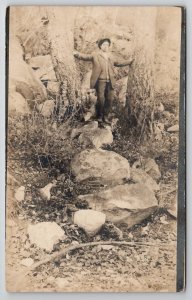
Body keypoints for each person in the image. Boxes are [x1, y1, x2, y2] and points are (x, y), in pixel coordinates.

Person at [73, 38, 134, 124]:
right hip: (100, 81)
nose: (106, 46)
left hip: (110, 81)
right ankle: (99, 116)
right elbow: (85, 57)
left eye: (107, 45)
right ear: (100, 46)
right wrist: (76, 53)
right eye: (104, 45)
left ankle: (105, 116)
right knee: (101, 99)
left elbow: (119, 63)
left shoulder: (111, 57)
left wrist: (129, 62)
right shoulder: (95, 55)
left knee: (110, 99)